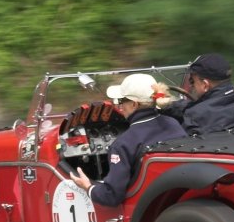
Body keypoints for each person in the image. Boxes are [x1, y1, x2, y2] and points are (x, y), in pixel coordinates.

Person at [69, 73, 186, 207]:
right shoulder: (173, 124)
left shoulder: (122, 145)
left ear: (134, 104)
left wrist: (89, 187)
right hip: (173, 198)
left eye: (121, 101)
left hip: (143, 207)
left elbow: (111, 196)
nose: (119, 107)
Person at [175, 53, 234, 134]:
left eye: (192, 81)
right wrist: (170, 104)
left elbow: (177, 143)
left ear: (205, 85)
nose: (191, 86)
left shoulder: (196, 115)